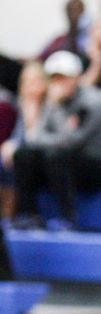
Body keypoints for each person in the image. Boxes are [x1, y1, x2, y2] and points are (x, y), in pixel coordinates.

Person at [12, 52, 101, 229]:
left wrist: (55, 108)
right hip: (62, 162)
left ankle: (68, 217)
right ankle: (28, 215)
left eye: (63, 78)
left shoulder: (92, 102)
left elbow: (70, 142)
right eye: (54, 78)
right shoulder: (52, 100)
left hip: (98, 165)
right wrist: (51, 110)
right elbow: (35, 137)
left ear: (76, 78)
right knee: (23, 155)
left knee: (55, 156)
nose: (59, 83)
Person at [0, 62, 48, 219]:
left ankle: (13, 215)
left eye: (35, 81)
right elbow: (16, 135)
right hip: (21, 155)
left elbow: (41, 139)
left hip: (43, 157)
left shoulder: (52, 106)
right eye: (26, 81)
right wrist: (9, 145)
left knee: (19, 159)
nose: (30, 86)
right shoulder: (18, 105)